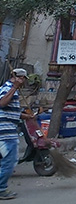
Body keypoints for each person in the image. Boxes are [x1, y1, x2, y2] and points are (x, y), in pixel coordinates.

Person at [0, 69, 29, 199]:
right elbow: (2, 103)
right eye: (23, 79)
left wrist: (27, 117)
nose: (24, 82)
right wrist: (14, 87)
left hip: (7, 130)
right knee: (9, 161)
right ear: (19, 78)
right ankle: (1, 189)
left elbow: (11, 112)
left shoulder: (11, 90)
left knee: (6, 161)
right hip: (5, 133)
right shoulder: (8, 88)